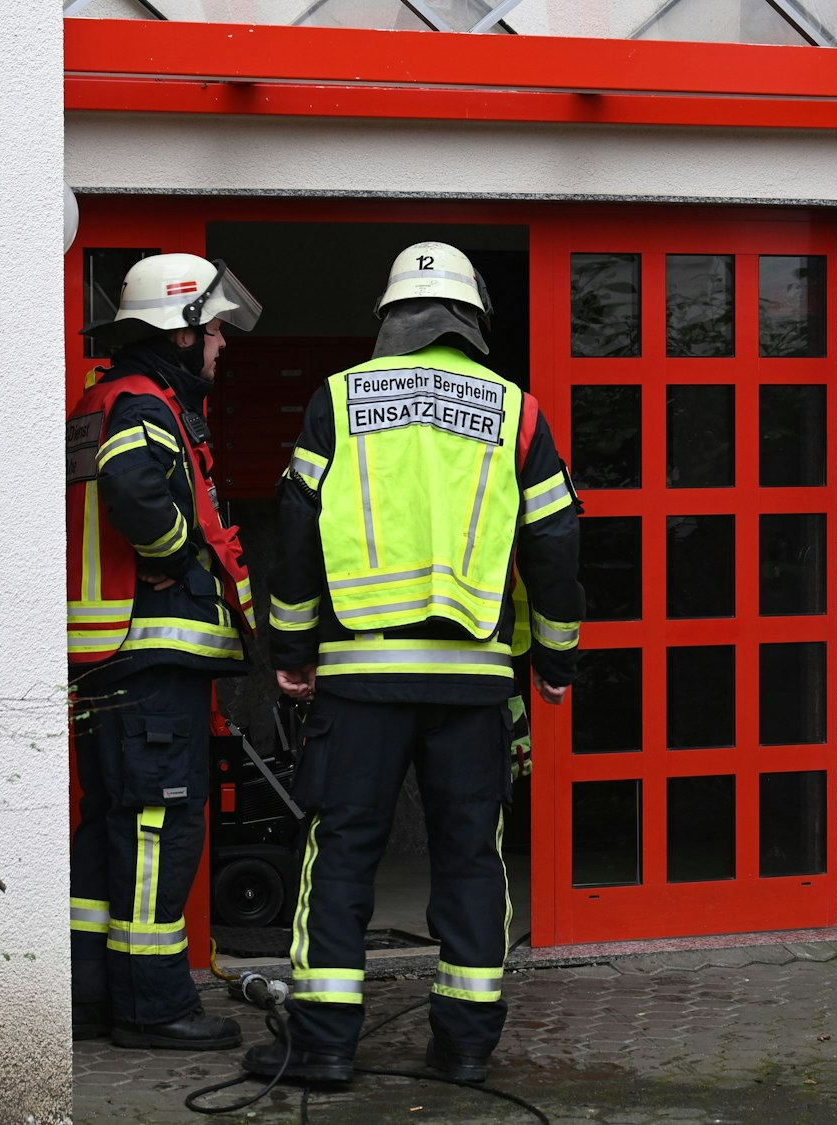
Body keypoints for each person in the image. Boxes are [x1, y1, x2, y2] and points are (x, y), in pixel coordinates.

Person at [248, 242, 583, 1085]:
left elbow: (295, 530)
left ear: (390, 319)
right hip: (472, 680)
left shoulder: (339, 397)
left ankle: (323, 1043)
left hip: (360, 674)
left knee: (343, 848)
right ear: (472, 319)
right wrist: (555, 659)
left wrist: (289, 651)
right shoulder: (518, 410)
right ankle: (467, 1045)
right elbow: (557, 539)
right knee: (473, 852)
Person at [66, 252, 262, 1050]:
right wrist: (178, 554)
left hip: (113, 657)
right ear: (180, 333)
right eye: (213, 328)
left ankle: (89, 997)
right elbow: (136, 492)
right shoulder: (142, 403)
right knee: (158, 827)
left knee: (110, 829)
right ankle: (153, 1006)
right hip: (150, 656)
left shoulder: (103, 398)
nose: (222, 343)